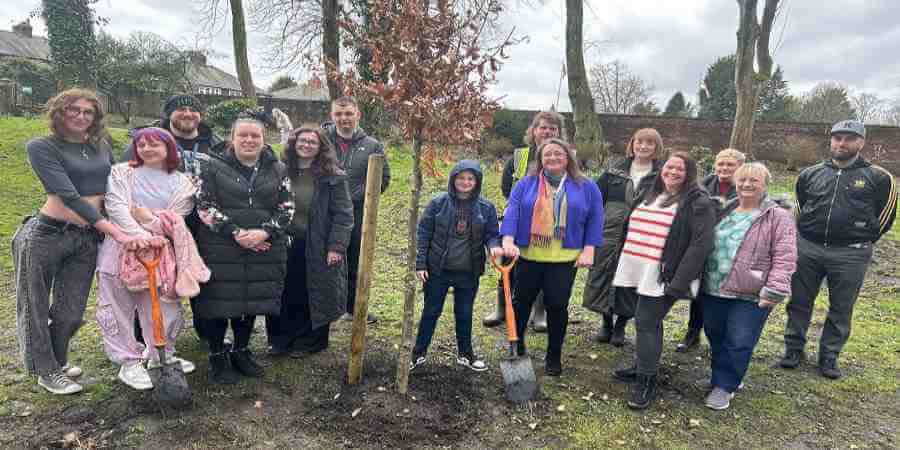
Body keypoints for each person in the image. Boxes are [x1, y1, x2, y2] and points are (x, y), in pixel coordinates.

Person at [13, 88, 142, 395]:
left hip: (85, 239)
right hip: (46, 234)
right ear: (59, 112)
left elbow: (115, 185)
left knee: (70, 310)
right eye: (74, 110)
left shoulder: (100, 146)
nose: (81, 117)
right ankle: (45, 370)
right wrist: (114, 230)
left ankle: (57, 361)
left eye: (88, 112)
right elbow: (67, 195)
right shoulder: (41, 147)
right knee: (34, 305)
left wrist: (136, 217)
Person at [780, 120, 897, 379]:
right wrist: (803, 236)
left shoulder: (879, 178)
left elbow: (885, 217)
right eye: (837, 138)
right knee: (799, 301)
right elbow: (800, 207)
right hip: (808, 247)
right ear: (831, 140)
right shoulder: (810, 174)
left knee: (841, 307)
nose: (841, 143)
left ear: (861, 142)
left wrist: (861, 239)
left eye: (848, 138)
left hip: (850, 254)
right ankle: (793, 349)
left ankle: (829, 355)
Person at [96, 127, 209, 390]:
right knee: (117, 306)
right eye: (142, 144)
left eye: (154, 144)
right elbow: (117, 208)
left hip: (161, 252)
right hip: (120, 247)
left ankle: (161, 355)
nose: (146, 149)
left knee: (164, 306)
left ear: (169, 148)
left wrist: (147, 219)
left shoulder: (183, 183)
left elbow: (175, 219)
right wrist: (139, 234)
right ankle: (128, 362)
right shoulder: (122, 172)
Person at [193, 115, 294, 384]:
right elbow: (204, 206)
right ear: (232, 138)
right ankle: (217, 355)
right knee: (218, 302)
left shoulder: (278, 170)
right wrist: (236, 233)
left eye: (255, 136)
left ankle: (241, 350)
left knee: (250, 300)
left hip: (263, 247)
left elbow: (287, 208)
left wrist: (265, 231)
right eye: (243, 135)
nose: (249, 140)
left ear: (263, 140)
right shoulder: (211, 167)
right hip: (220, 247)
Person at [610, 151, 715, 410]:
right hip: (638, 268)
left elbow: (700, 245)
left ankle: (646, 380)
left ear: (689, 174)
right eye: (669, 167)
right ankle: (645, 365)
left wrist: (678, 282)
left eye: (680, 169)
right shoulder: (651, 191)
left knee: (646, 321)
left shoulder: (697, 201)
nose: (673, 172)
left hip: (664, 276)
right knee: (646, 321)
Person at [121, 94, 223, 346]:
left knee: (202, 275)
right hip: (158, 221)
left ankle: (208, 331)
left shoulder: (216, 143)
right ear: (169, 114)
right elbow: (126, 177)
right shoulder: (148, 140)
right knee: (153, 277)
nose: (187, 114)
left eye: (193, 109)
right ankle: (146, 335)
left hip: (202, 222)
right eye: (180, 109)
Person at [500, 138, 603, 376]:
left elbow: (596, 219)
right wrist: (507, 239)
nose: (553, 158)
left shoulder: (587, 187)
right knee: (521, 301)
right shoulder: (526, 184)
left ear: (568, 157)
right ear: (540, 159)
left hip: (564, 258)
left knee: (557, 305)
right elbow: (513, 212)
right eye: (547, 155)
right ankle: (518, 346)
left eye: (558, 154)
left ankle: (554, 354)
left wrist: (590, 249)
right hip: (529, 255)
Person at [698, 162, 796, 410]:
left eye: (754, 180)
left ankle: (725, 386)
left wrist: (774, 289)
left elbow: (785, 256)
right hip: (714, 286)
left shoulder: (777, 216)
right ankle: (728, 375)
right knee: (715, 334)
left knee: (740, 339)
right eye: (742, 180)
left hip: (752, 292)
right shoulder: (725, 210)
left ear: (765, 184)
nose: (747, 184)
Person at [266, 126, 353, 357]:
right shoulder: (281, 171)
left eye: (312, 142)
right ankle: (281, 340)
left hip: (317, 243)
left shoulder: (332, 176)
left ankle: (310, 341)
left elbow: (344, 214)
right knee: (283, 291)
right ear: (294, 143)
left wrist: (337, 246)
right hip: (285, 241)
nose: (306, 145)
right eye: (302, 140)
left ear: (321, 147)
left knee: (313, 292)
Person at [410, 160, 502, 372]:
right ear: (453, 179)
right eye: (461, 177)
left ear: (477, 182)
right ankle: (418, 352)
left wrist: (494, 247)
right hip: (438, 270)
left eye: (470, 178)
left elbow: (491, 235)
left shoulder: (486, 208)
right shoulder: (438, 203)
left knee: (464, 312)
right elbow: (423, 234)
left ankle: (465, 353)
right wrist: (421, 264)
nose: (465, 182)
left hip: (468, 272)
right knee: (431, 311)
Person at [485, 111, 568, 332]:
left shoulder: (566, 156)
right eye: (543, 127)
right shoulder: (520, 157)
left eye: (552, 128)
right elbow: (506, 188)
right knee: (507, 264)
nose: (547, 132)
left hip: (549, 225)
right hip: (518, 221)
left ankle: (539, 312)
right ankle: (501, 308)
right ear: (533, 131)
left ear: (559, 132)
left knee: (542, 266)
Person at [583, 128, 665, 347]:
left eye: (650, 143)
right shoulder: (614, 171)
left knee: (630, 281)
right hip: (609, 233)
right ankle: (606, 322)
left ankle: (621, 324)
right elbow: (595, 200)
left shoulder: (662, 175)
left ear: (657, 148)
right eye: (640, 142)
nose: (643, 146)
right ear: (632, 144)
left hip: (641, 237)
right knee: (605, 276)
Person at [324, 96, 391, 324]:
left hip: (358, 214)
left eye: (348, 114)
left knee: (355, 260)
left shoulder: (372, 145)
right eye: (339, 114)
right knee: (326, 260)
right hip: (325, 213)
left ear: (357, 115)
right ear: (332, 116)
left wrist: (361, 196)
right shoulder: (322, 142)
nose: (344, 119)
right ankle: (329, 308)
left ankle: (353, 307)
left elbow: (384, 178)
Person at [677, 148, 746, 353]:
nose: (724, 168)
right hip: (702, 244)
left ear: (741, 167)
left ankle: (722, 337)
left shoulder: (747, 188)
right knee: (698, 291)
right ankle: (693, 332)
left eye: (730, 165)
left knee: (723, 294)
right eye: (721, 164)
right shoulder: (702, 185)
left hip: (730, 249)